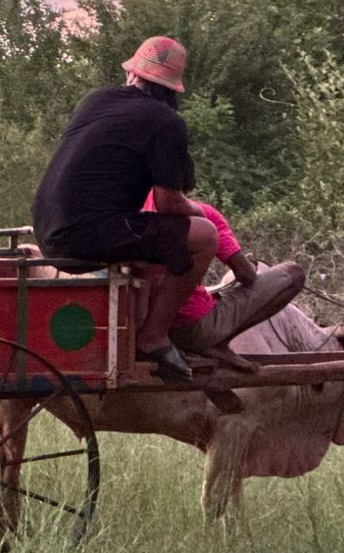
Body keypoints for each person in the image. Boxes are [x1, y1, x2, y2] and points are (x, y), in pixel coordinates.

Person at [32, 36, 220, 381]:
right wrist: (200, 211)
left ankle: (136, 322)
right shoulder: (166, 122)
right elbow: (169, 203)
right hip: (85, 235)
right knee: (204, 236)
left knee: (153, 232)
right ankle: (153, 336)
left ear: (134, 74)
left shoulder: (98, 99)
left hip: (48, 229)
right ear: (173, 88)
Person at [142, 193, 305, 373]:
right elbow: (246, 276)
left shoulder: (133, 213)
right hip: (187, 327)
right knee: (294, 274)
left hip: (140, 321)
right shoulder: (205, 217)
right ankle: (218, 342)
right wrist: (250, 266)